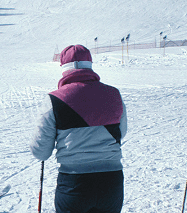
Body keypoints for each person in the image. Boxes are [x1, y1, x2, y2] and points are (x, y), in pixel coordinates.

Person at [30, 45, 127, 213]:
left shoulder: (54, 100)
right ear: (90, 64)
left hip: (74, 184)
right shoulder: (114, 94)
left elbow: (40, 151)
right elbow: (121, 132)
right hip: (111, 182)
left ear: (64, 70)